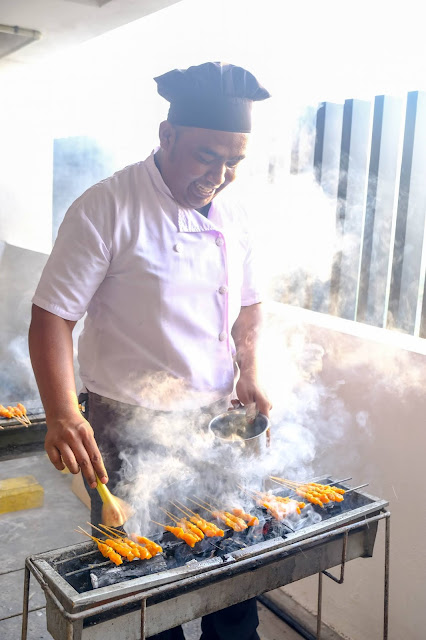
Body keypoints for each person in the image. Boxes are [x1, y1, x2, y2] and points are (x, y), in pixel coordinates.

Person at [29, 61, 271, 640]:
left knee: (231, 561)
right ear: (167, 137)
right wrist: (63, 412)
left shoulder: (236, 212)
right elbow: (52, 317)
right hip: (127, 421)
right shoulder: (106, 206)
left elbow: (251, 304)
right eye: (208, 156)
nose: (220, 174)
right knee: (144, 580)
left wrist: (251, 370)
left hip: (218, 421)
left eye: (234, 161)